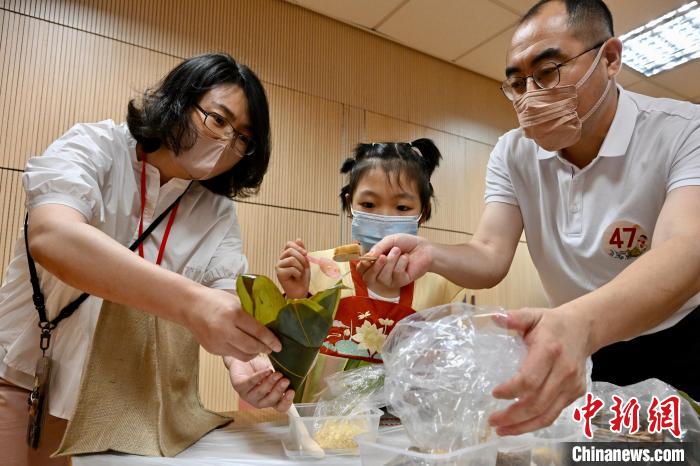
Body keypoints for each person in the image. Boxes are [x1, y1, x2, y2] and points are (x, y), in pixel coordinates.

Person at [362, 0, 700, 436]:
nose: (530, 96)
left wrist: (580, 322)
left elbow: (686, 248)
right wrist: (430, 253)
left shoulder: (683, 129)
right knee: (601, 449)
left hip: (681, 336)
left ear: (611, 58)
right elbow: (488, 253)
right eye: (517, 84)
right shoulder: (513, 151)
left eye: (548, 72)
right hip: (588, 343)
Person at [0, 53, 282, 464]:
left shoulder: (217, 212)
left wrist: (245, 361)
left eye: (243, 138)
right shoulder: (95, 147)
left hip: (123, 405)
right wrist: (192, 303)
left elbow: (226, 297)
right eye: (218, 120)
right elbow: (53, 236)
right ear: (178, 102)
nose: (226, 142)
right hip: (29, 381)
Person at [229, 139, 466, 409]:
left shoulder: (444, 287)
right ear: (349, 204)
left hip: (399, 434)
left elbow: (447, 375)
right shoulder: (315, 271)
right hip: (318, 430)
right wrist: (296, 296)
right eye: (368, 204)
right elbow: (283, 360)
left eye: (401, 208)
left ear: (423, 213)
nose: (384, 216)